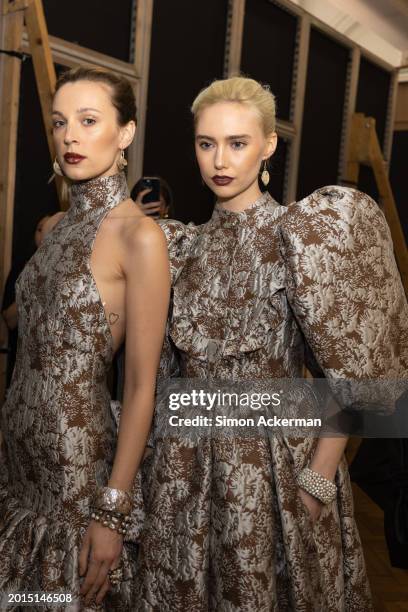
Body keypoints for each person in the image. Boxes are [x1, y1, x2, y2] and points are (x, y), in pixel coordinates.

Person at [135, 77, 408, 611]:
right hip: (184, 474)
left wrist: (316, 481)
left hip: (275, 475)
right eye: (206, 143)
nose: (220, 159)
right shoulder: (180, 246)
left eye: (237, 143)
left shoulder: (305, 236)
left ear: (268, 145)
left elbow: (350, 372)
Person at [0, 66, 170, 610]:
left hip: (79, 473)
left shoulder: (138, 236)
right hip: (19, 460)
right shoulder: (58, 227)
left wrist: (111, 509)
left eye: (88, 120)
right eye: (59, 122)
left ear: (125, 133)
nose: (70, 135)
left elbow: (142, 384)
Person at [1, 215, 50, 389]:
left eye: (52, 229)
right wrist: (36, 281)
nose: (44, 234)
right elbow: (9, 320)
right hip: (21, 365)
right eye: (40, 229)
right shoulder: (22, 267)